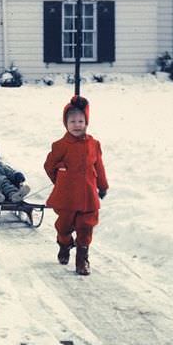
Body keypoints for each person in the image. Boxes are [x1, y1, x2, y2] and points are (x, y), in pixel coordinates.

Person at [44, 96, 109, 276]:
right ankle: (64, 244)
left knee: (85, 227)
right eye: (72, 121)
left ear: (86, 122)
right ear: (66, 123)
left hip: (88, 195)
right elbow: (49, 165)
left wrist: (102, 186)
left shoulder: (94, 144)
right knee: (63, 227)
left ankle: (82, 259)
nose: (77, 125)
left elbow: (99, 167)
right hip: (67, 196)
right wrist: (59, 176)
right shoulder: (60, 145)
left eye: (81, 120)